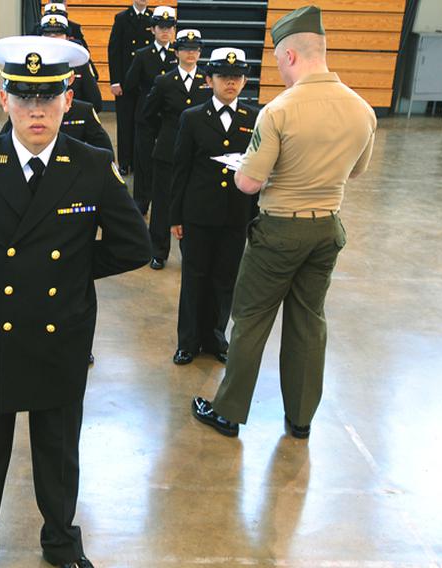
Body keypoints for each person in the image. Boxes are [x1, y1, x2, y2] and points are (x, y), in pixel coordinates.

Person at [0, 35, 151, 568]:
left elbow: (132, 245)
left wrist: (69, 273)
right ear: (4, 101)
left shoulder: (91, 165)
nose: (36, 112)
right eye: (24, 99)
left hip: (61, 329)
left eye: (47, 98)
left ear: (68, 99)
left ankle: (62, 544)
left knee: (58, 449)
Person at [190, 5, 377, 439]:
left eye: (277, 59)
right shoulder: (362, 109)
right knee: (309, 321)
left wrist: (253, 170)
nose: (278, 67)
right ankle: (300, 418)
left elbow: (249, 184)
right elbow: (356, 171)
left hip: (279, 231)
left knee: (251, 319)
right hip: (327, 228)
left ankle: (229, 411)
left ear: (290, 55)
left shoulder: (278, 111)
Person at [168, 48, 258, 367]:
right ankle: (188, 341)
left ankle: (216, 337)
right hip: (198, 214)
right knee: (194, 278)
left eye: (236, 77)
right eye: (223, 76)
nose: (230, 83)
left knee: (224, 279)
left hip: (235, 214)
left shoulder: (254, 118)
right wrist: (175, 216)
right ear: (209, 80)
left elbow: (259, 171)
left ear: (244, 80)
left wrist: (255, 218)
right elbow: (180, 169)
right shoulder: (192, 118)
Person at [143, 28, 210, 269]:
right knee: (162, 203)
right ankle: (158, 251)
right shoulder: (164, 81)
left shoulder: (208, 81)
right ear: (177, 51)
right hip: (168, 151)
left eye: (195, 49)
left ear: (200, 52)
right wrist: (161, 137)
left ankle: (189, 251)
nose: (190, 53)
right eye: (185, 49)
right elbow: (148, 115)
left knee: (192, 203)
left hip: (198, 153)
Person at [122, 5, 177, 215]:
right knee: (143, 159)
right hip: (146, 115)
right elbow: (129, 83)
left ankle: (168, 203)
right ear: (152, 29)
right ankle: (141, 202)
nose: (165, 32)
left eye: (169, 27)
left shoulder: (178, 54)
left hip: (170, 117)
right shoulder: (143, 54)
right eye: (160, 27)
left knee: (170, 160)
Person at [107, 0, 153, 175]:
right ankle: (125, 162)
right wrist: (115, 81)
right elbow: (114, 50)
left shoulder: (153, 18)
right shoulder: (122, 18)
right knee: (125, 123)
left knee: (144, 123)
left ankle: (140, 162)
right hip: (126, 81)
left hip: (146, 81)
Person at [37, 12, 102, 112]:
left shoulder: (78, 64)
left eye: (58, 34)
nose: (53, 38)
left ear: (67, 38)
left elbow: (95, 103)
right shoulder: (32, 65)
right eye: (47, 34)